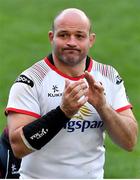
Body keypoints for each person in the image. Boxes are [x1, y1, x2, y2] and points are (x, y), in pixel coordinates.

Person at [5, 8, 138, 179]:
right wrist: (63, 113)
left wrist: (103, 107)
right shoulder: (31, 80)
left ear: (91, 40)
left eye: (79, 36)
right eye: (64, 35)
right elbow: (18, 146)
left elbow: (129, 142)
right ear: (51, 37)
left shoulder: (109, 76)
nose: (71, 42)